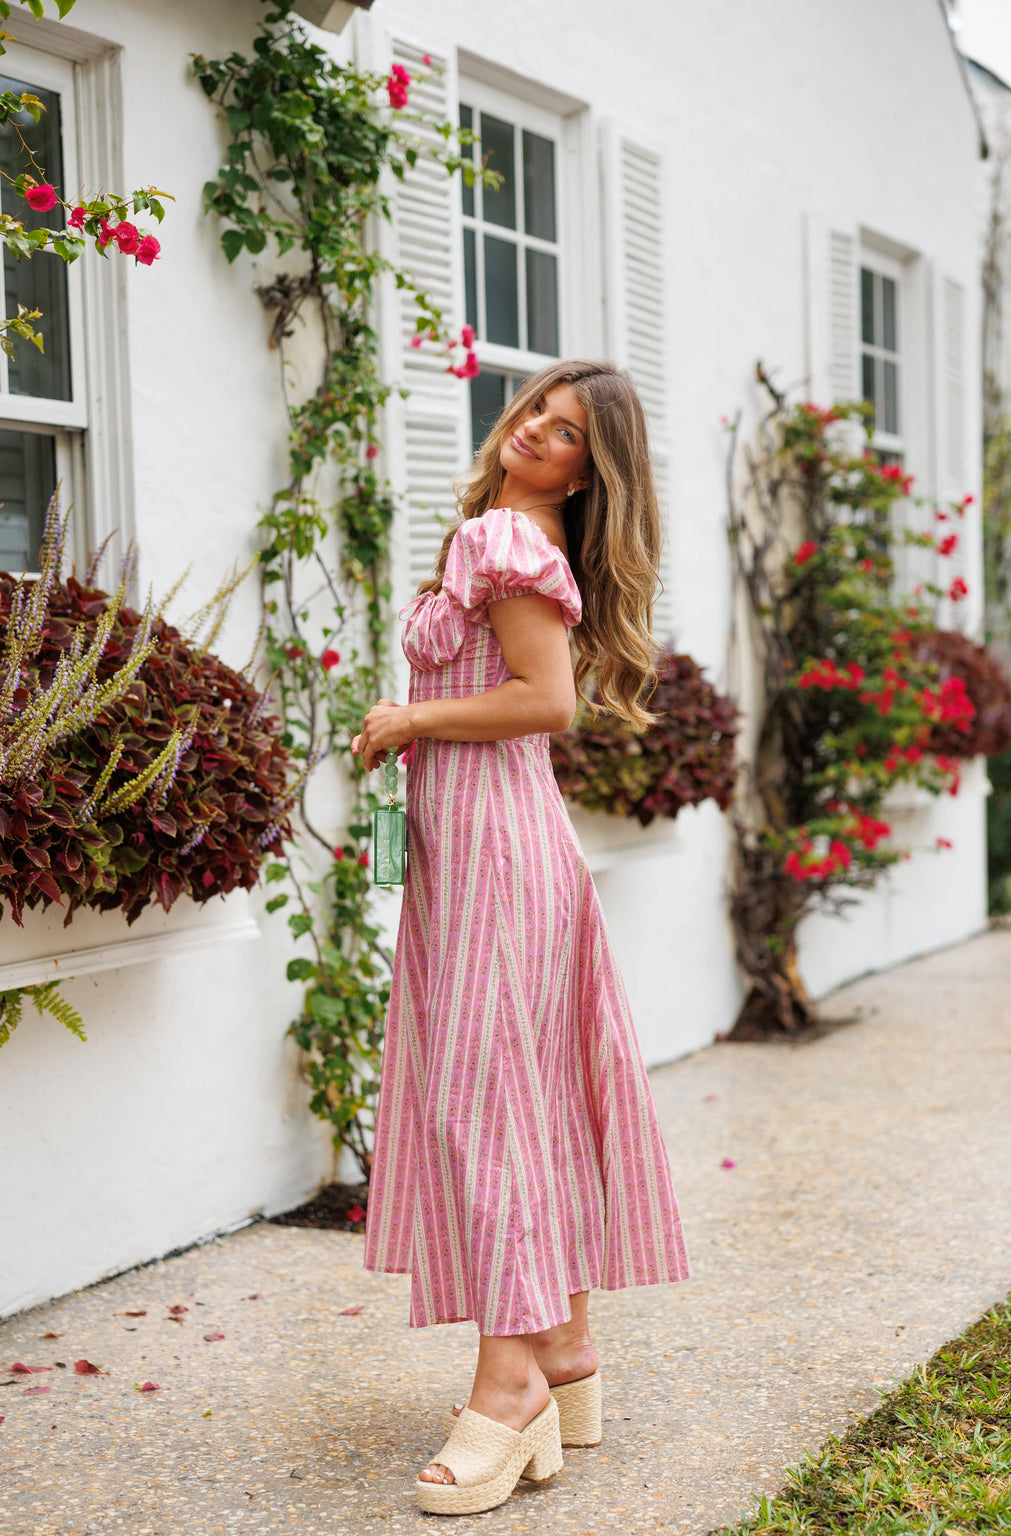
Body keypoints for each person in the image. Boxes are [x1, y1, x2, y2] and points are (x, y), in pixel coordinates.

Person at [352, 359, 688, 1516]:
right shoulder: (493, 529)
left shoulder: (508, 545)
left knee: (486, 1108)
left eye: (563, 439)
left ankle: (507, 1391)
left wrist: (413, 716)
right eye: (533, 417)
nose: (532, 438)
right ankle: (567, 1351)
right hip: (479, 849)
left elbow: (546, 703)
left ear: (592, 476)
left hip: (497, 849)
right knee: (524, 1098)